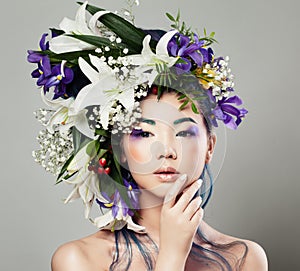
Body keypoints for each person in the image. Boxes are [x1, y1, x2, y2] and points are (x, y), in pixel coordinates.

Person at [27, 1, 268, 270]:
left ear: (210, 146)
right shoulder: (80, 260)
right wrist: (172, 256)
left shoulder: (244, 259)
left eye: (184, 132)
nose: (165, 150)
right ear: (119, 149)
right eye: (143, 132)